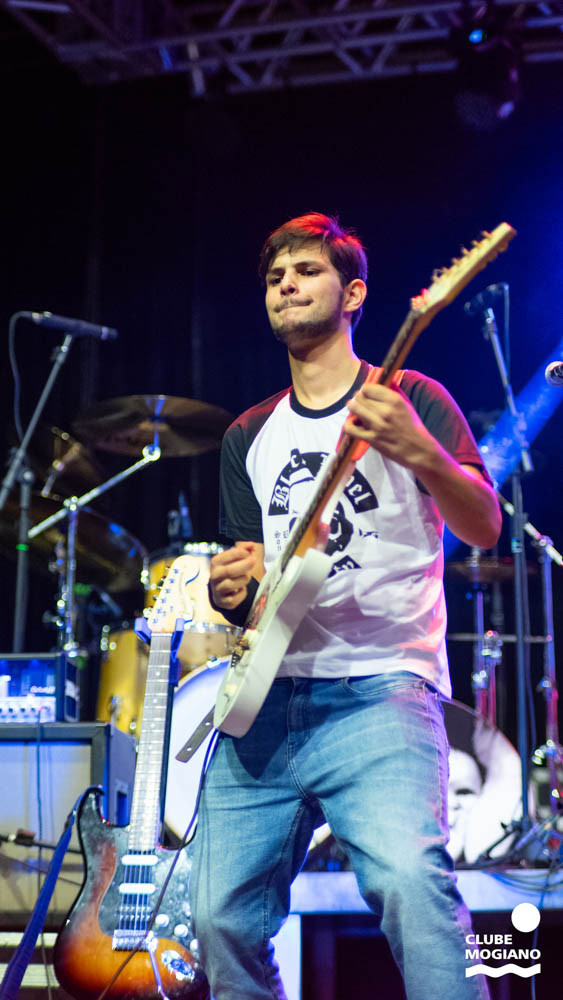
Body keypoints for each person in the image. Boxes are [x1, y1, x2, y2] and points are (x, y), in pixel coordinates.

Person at [191, 212, 501, 999]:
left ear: (353, 293)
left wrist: (419, 449)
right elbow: (250, 591)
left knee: (408, 884)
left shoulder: (412, 398)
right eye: (274, 277)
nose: (285, 286)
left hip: (380, 690)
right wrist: (232, 592)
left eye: (305, 271)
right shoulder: (248, 434)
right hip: (265, 702)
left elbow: (483, 524)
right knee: (217, 917)